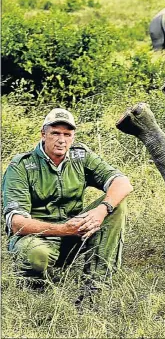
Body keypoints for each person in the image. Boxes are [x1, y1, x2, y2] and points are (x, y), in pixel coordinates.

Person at [2, 108, 133, 291]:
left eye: (67, 134)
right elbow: (16, 223)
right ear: (43, 134)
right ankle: (34, 288)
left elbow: (123, 183)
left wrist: (101, 210)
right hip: (38, 237)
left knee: (116, 204)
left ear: (73, 137)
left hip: (75, 232)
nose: (61, 140)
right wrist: (64, 229)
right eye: (55, 133)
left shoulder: (81, 156)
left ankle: (95, 287)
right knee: (37, 256)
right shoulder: (21, 165)